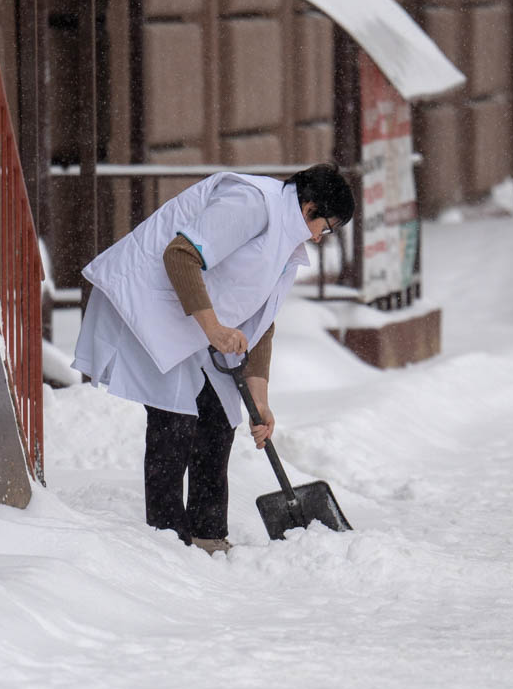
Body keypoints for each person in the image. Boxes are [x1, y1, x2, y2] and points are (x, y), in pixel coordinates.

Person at [71, 163, 355, 553]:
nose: (322, 238)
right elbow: (180, 255)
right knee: (174, 422)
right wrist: (215, 330)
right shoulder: (252, 204)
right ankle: (166, 541)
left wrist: (260, 400)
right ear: (309, 208)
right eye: (326, 227)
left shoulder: (287, 248)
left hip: (191, 320)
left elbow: (262, 321)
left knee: (218, 420)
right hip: (150, 306)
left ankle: (207, 535)